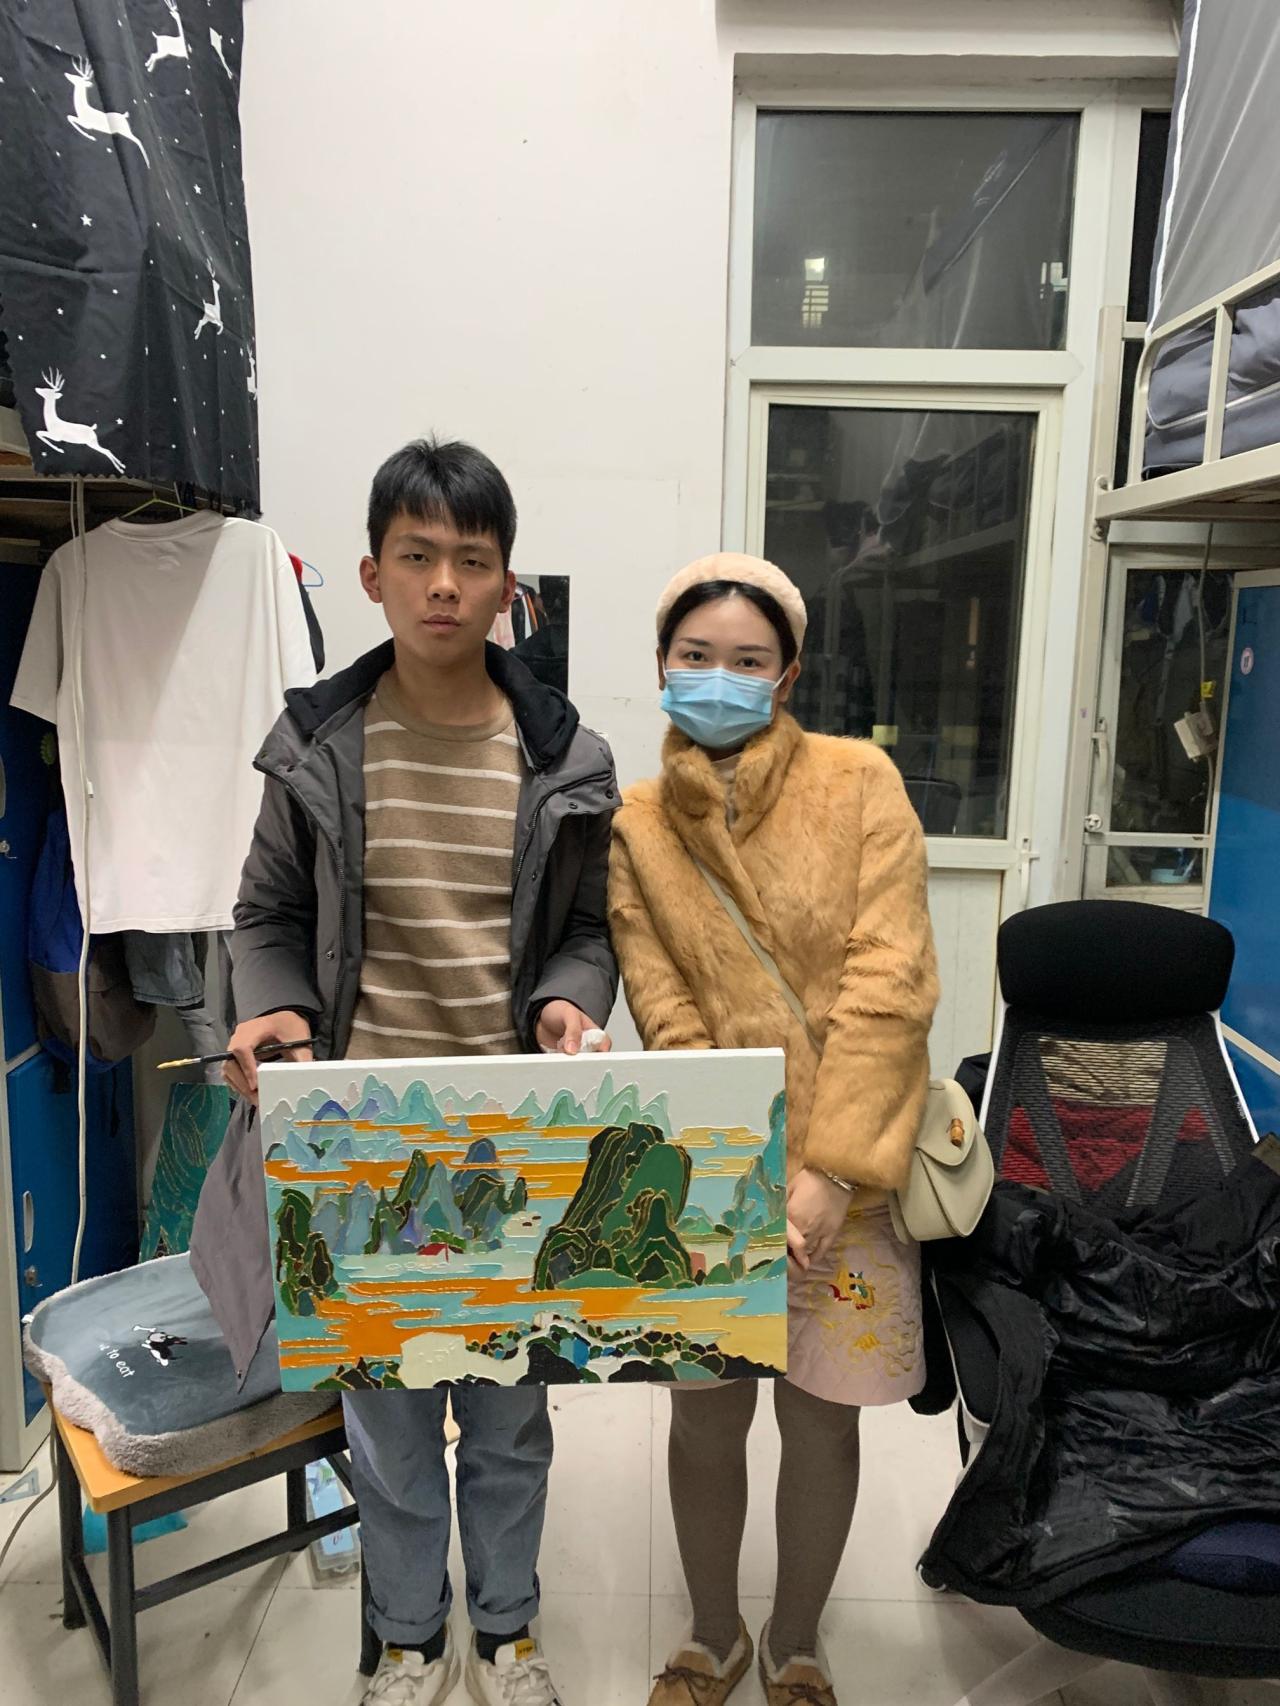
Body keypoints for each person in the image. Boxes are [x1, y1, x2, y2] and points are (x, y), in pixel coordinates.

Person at [189, 438, 618, 1706]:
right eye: (417, 556)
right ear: (373, 573)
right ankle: (406, 1637)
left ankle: (510, 1628)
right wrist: (270, 1008)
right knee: (383, 1425)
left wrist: (566, 999)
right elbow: (264, 912)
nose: (443, 583)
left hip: (508, 1145)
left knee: (508, 1419)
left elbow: (588, 928)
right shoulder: (317, 741)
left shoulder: (564, 754)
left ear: (505, 585)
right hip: (360, 1144)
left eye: (470, 560)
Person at [609, 553, 938, 1706]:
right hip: (710, 1177)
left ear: (786, 673)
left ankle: (795, 1640)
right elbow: (658, 998)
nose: (719, 677)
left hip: (848, 1174)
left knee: (819, 1420)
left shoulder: (859, 782)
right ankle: (713, 1632)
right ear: (662, 665)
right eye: (695, 655)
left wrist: (829, 1169)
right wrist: (730, 1164)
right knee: (702, 1420)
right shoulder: (639, 821)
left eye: (746, 659)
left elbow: (890, 980)